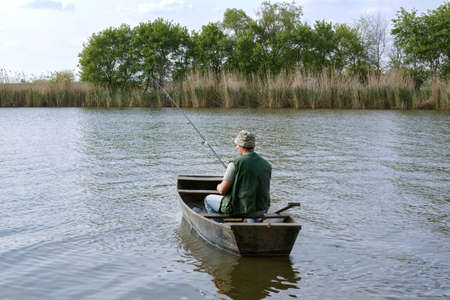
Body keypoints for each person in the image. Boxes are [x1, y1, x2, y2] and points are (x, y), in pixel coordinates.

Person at [204, 130, 272, 222]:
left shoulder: (235, 164)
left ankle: (221, 228)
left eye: (237, 145)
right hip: (261, 209)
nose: (236, 147)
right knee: (251, 209)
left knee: (208, 200)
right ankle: (252, 226)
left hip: (237, 209)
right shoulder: (267, 165)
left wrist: (218, 186)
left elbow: (222, 191)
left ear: (241, 146)